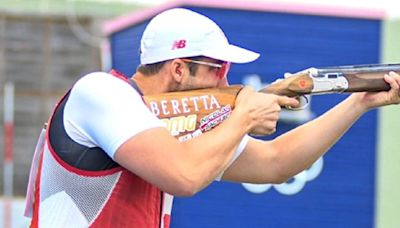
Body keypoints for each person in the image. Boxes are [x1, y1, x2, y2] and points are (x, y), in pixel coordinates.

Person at [24, 8, 400, 228]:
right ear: (177, 68)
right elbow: (184, 177)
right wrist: (242, 117)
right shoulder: (100, 92)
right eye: (216, 68)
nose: (225, 80)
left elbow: (277, 164)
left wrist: (358, 103)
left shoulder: (173, 126)